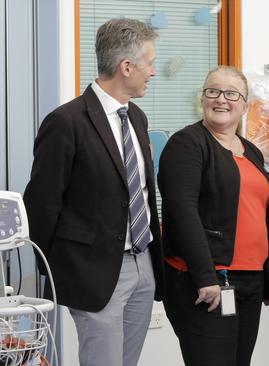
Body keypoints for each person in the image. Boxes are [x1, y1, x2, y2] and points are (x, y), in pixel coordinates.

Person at [23, 18, 162, 366]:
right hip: (95, 271)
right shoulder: (66, 122)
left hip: (143, 264)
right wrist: (53, 270)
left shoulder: (138, 118)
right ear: (125, 67)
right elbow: (41, 203)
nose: (154, 72)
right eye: (150, 63)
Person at [158, 66, 269, 366]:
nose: (221, 99)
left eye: (231, 94)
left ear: (245, 105)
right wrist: (205, 277)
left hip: (249, 281)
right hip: (209, 282)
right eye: (213, 91)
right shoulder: (187, 144)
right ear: (203, 98)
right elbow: (182, 212)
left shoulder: (250, 151)